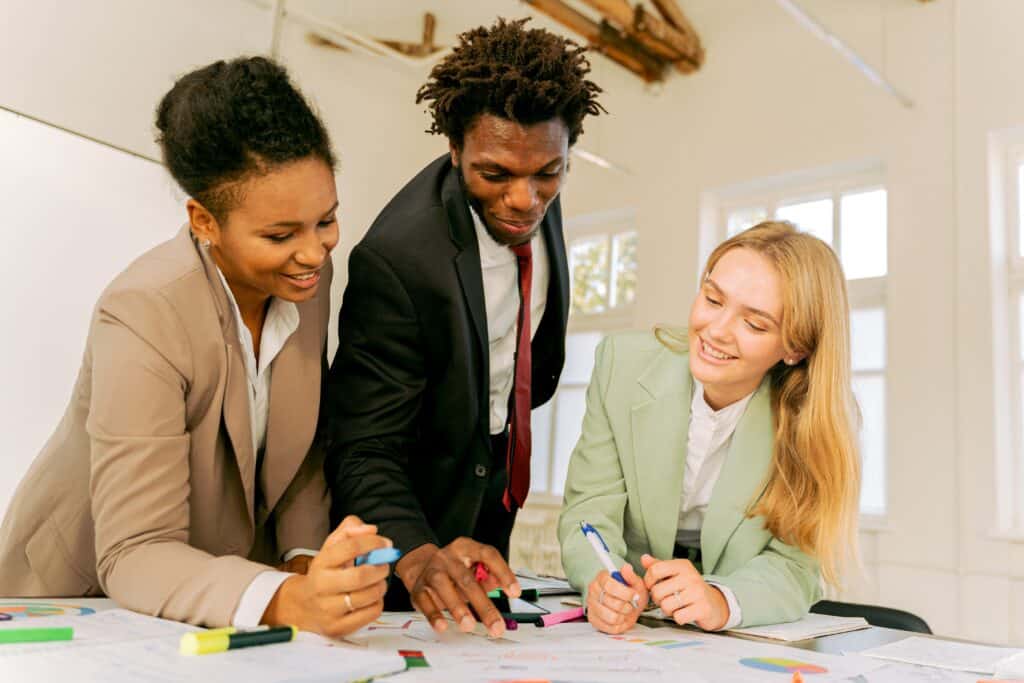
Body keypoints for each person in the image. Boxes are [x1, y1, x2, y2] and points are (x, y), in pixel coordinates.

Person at [0, 57, 389, 637]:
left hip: (215, 594)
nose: (314, 253)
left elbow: (300, 445)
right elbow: (135, 551)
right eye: (280, 235)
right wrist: (287, 598)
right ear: (204, 221)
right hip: (81, 600)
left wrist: (309, 563)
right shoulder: (141, 311)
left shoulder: (306, 279)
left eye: (326, 220)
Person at [324, 18, 604, 638]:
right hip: (408, 536)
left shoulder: (534, 190)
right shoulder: (397, 260)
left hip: (491, 514)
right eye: (495, 175)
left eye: (548, 175)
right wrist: (417, 557)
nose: (526, 200)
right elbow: (364, 445)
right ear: (455, 150)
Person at [558, 222, 861, 634]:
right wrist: (602, 581)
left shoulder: (813, 419)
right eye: (713, 298)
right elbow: (589, 510)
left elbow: (795, 567)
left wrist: (720, 600)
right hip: (632, 625)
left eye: (754, 324)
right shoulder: (622, 364)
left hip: (735, 636)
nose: (716, 331)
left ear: (795, 347)